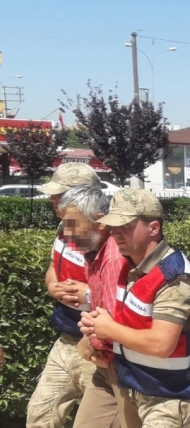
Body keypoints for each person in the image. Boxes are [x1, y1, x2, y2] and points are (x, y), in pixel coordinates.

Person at [80, 188, 190, 428]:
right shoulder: (130, 266)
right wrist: (96, 326)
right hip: (135, 383)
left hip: (171, 396)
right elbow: (129, 321)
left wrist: (108, 329)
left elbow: (160, 344)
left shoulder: (176, 278)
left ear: (153, 228)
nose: (116, 234)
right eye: (113, 227)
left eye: (125, 226)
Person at [27, 163, 104, 428]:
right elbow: (53, 267)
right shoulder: (63, 230)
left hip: (98, 347)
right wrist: (52, 286)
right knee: (40, 417)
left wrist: (92, 294)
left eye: (59, 194)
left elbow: (132, 292)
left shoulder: (111, 237)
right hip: (65, 341)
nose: (52, 199)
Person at [53, 185, 125, 428]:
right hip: (107, 364)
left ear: (100, 222)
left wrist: (92, 341)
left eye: (73, 224)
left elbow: (119, 318)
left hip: (126, 367)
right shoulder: (93, 251)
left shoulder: (114, 256)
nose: (67, 234)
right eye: (64, 225)